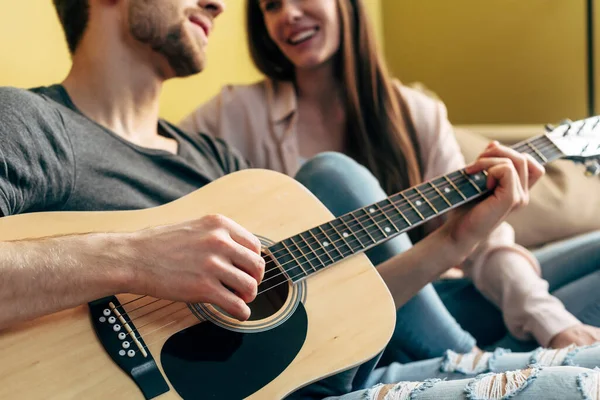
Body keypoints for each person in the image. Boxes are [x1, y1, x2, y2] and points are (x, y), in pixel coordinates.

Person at [0, 1, 599, 399]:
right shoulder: (31, 122)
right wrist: (136, 257)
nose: (219, 3)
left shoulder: (219, 164)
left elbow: (332, 322)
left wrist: (454, 241)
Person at [179, 0, 600, 363]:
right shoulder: (234, 112)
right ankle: (473, 363)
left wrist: (554, 323)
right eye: (271, 6)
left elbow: (482, 244)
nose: (288, 13)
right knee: (336, 174)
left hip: (441, 306)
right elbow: (154, 163)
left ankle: (530, 355)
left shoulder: (418, 113)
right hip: (337, 326)